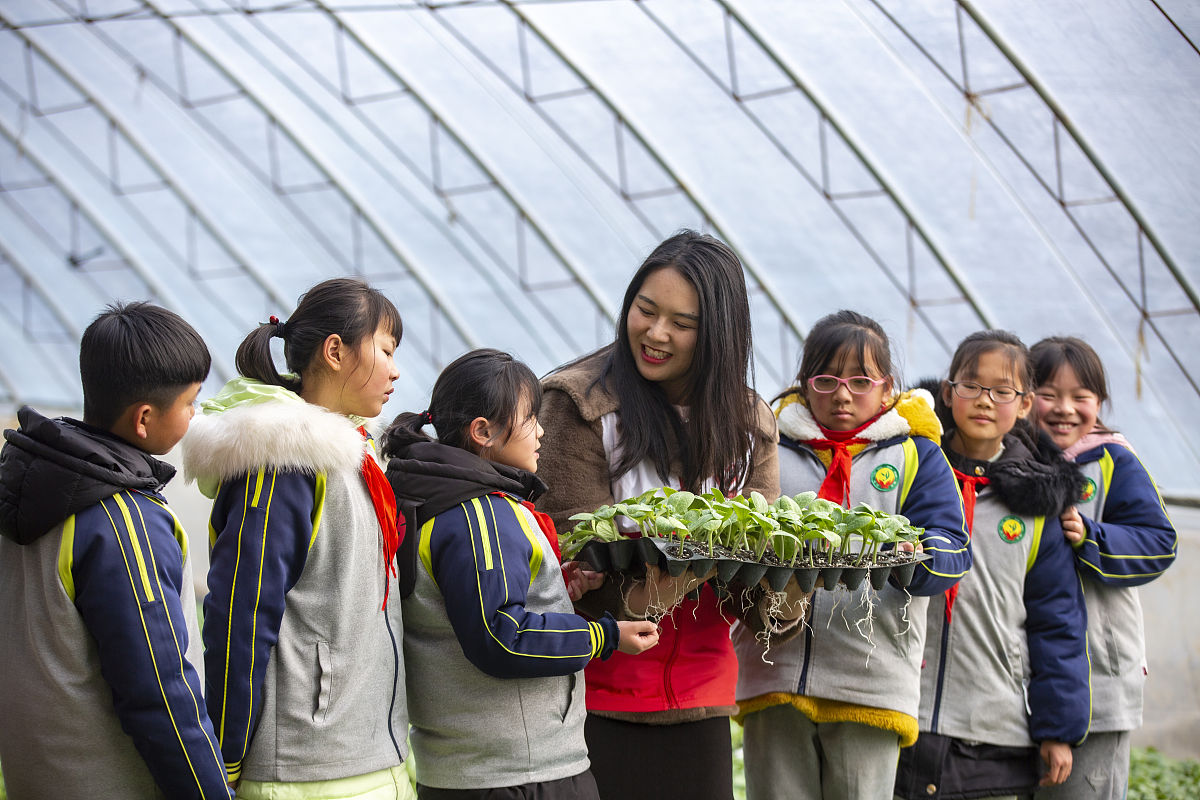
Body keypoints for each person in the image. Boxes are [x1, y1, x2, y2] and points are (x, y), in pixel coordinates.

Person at [536, 230, 781, 800]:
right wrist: (668, 572)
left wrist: (784, 589)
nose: (656, 332)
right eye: (645, 311)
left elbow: (762, 578)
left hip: (700, 695)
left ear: (719, 333)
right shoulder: (579, 404)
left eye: (682, 323)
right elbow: (568, 549)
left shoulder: (748, 423)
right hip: (593, 692)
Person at [382, 348, 660, 799]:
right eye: (530, 418)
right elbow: (501, 635)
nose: (541, 430)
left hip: (473, 770)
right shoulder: (480, 514)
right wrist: (605, 636)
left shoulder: (432, 501)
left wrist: (558, 588)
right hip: (518, 774)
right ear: (483, 432)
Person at [182, 278, 411, 798]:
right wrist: (227, 757)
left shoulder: (354, 454)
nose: (396, 370)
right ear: (335, 351)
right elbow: (240, 613)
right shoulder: (283, 462)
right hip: (304, 771)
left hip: (369, 757)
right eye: (386, 349)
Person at [733, 309, 971, 800]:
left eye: (860, 381)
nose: (842, 394)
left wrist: (915, 556)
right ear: (804, 383)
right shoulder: (767, 447)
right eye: (826, 379)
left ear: (887, 390)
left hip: (870, 679)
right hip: (772, 671)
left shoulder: (916, 456)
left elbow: (952, 547)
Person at [0, 302, 231, 800]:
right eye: (190, 403)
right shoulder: (123, 521)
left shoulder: (28, 487)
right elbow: (160, 692)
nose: (195, 415)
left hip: (37, 775)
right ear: (145, 418)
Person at [894, 330, 1090, 799]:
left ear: (1024, 405)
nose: (985, 401)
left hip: (993, 729)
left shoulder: (1039, 505)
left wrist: (1057, 728)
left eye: (1003, 391)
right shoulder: (909, 473)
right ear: (947, 392)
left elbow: (1056, 621)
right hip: (901, 710)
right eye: (971, 386)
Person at [1030, 336, 1177, 800]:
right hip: (1018, 675)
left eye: (1080, 397)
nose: (1064, 409)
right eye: (1048, 394)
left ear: (1100, 403)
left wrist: (1093, 536)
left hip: (1099, 678)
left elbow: (1158, 541)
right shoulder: (1006, 462)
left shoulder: (1113, 460)